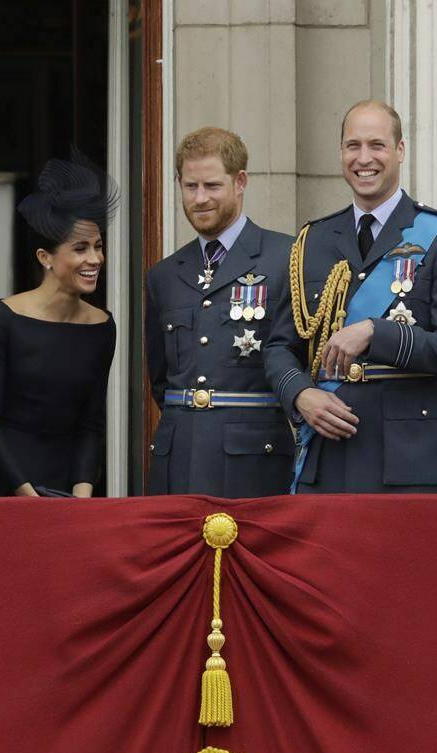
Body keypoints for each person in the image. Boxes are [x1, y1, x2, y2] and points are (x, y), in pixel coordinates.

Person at [264, 100, 437, 493]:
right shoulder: (312, 241)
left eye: (377, 145)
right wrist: (301, 394)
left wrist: (374, 333)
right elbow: (280, 345)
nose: (364, 158)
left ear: (399, 150)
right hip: (329, 457)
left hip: (409, 460)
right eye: (353, 146)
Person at [0, 153, 117, 497]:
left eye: (98, 247)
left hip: (62, 488)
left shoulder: (102, 325)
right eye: (80, 248)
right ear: (46, 258)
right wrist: (27, 495)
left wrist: (81, 496)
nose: (95, 259)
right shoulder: (2, 318)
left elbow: (91, 424)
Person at [143, 128, 296, 498]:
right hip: (176, 457)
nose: (199, 199)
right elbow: (161, 379)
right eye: (190, 186)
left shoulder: (285, 258)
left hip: (254, 460)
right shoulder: (164, 274)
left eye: (211, 186)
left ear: (240, 182)